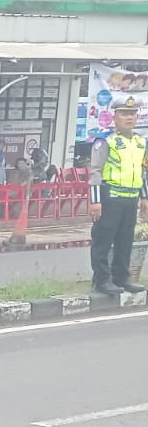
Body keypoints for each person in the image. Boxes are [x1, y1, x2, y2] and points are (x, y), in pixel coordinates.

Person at [88, 95, 148, 293]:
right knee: (103, 240)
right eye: (124, 113)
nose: (129, 117)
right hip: (110, 197)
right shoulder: (106, 141)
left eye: (132, 113)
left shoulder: (140, 142)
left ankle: (121, 278)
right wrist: (95, 201)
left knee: (125, 240)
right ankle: (102, 280)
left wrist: (144, 197)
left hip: (130, 198)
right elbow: (95, 171)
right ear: (114, 117)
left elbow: (142, 171)